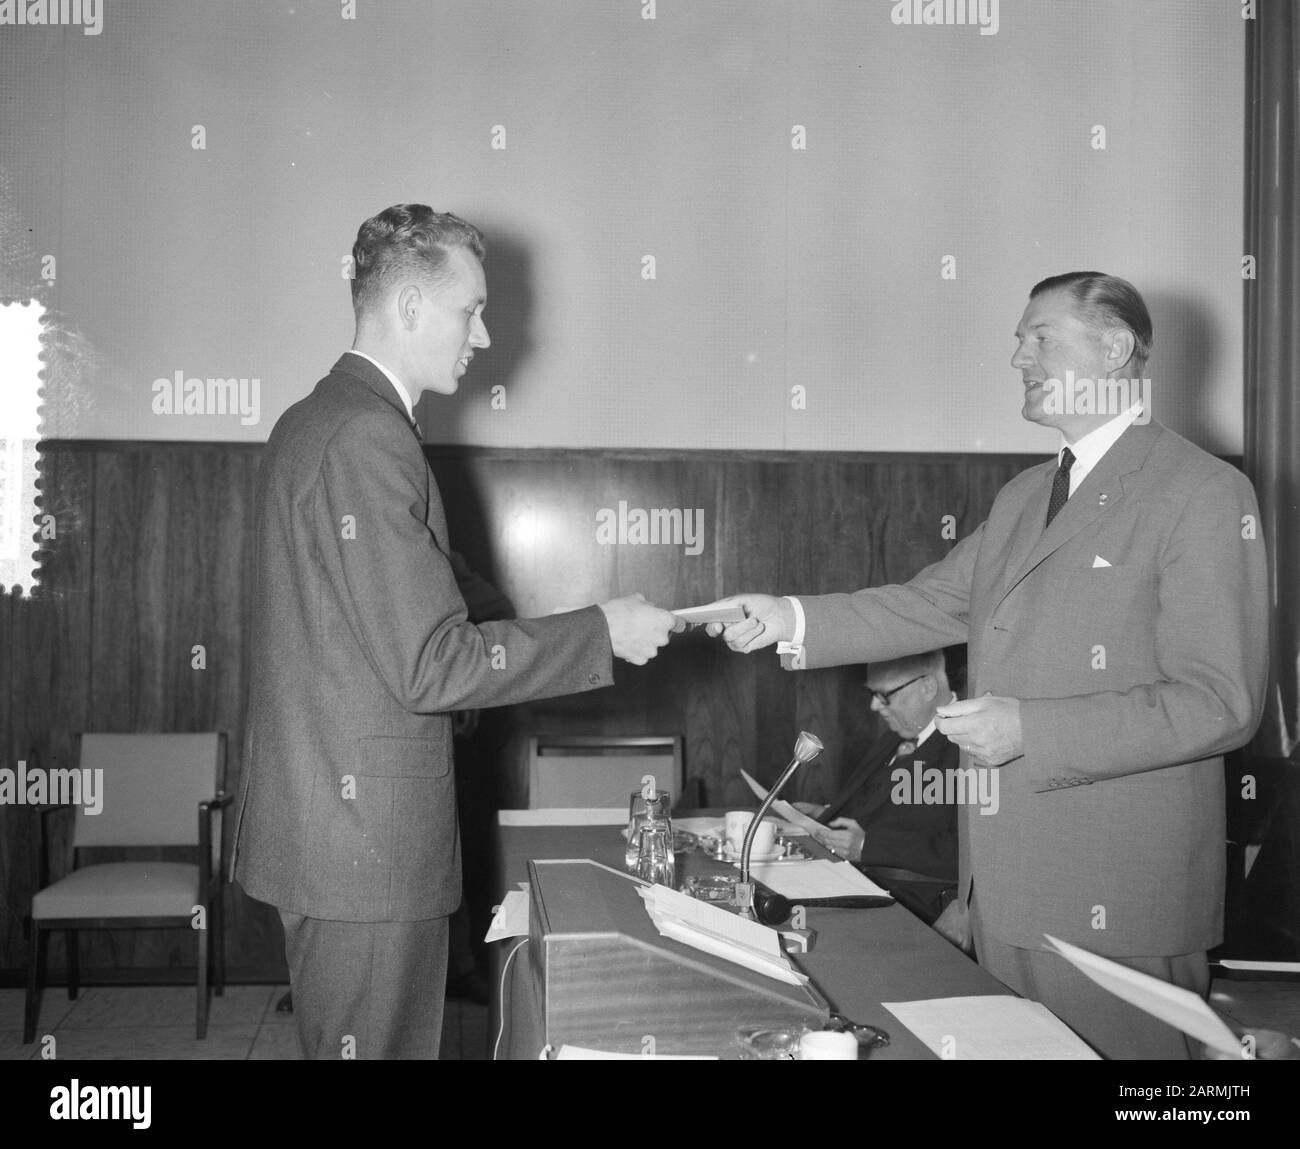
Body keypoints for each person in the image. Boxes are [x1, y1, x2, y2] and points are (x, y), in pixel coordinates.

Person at [710, 272, 1269, 1059]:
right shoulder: (1024, 495)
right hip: (1002, 896)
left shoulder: (1203, 491)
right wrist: (789, 616)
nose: (1018, 356)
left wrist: (1029, 729)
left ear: (1114, 349)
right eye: (1018, 339)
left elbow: (1222, 699)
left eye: (1040, 336)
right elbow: (924, 604)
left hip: (1118, 898)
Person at [230, 204, 679, 1059]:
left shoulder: (311, 420)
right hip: (364, 847)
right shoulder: (370, 436)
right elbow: (430, 665)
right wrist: (600, 632)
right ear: (407, 307)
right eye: (469, 308)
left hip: (328, 827)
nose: (483, 333)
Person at [792, 651, 961, 924]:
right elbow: (888, 803)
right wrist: (826, 813)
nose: (873, 706)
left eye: (883, 695)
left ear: (928, 687)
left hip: (910, 902)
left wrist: (868, 846)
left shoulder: (969, 745)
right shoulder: (900, 734)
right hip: (858, 882)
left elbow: (968, 852)